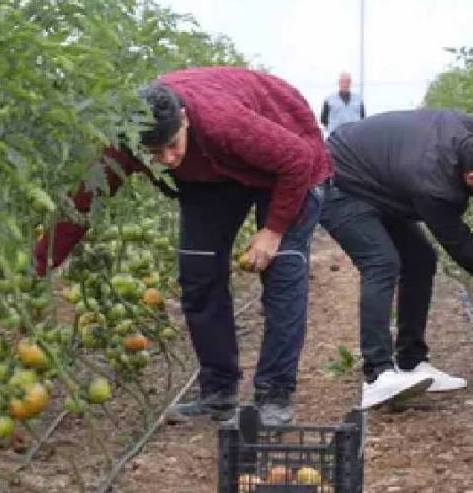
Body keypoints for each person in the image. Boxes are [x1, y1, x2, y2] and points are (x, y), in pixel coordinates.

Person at [33, 67, 331, 425]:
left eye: (172, 145)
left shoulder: (225, 123)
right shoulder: (129, 138)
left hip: (287, 158)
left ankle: (274, 396)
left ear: (184, 119)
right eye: (154, 154)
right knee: (198, 272)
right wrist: (39, 264)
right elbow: (85, 198)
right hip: (213, 175)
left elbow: (296, 159)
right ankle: (218, 392)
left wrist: (273, 230)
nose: (168, 160)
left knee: (282, 271)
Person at [320, 108, 473, 409]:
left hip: (380, 179)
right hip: (338, 184)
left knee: (420, 259)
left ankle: (411, 361)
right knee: (382, 263)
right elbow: (461, 247)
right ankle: (377, 376)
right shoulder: (434, 184)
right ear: (472, 177)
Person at [319, 72, 365, 136]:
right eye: (342, 82)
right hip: (336, 137)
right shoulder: (329, 99)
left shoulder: (358, 100)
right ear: (339, 83)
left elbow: (362, 118)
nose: (345, 84)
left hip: (353, 136)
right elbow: (323, 119)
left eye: (347, 82)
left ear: (350, 83)